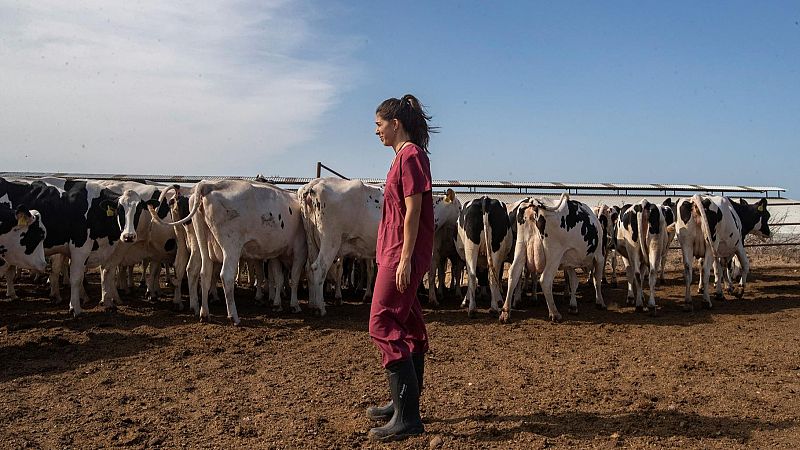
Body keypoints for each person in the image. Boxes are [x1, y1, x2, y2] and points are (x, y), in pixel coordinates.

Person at [367, 94, 437, 442]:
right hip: (394, 250)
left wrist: (406, 257)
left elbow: (413, 210)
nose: (376, 130)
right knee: (408, 323)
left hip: (400, 253)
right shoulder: (403, 157)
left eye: (379, 124)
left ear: (396, 123)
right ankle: (403, 405)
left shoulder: (410, 156)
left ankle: (408, 417)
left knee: (381, 322)